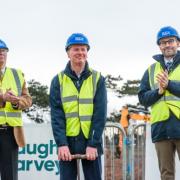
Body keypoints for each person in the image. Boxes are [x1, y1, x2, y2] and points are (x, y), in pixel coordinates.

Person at [50, 33, 107, 180]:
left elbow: (100, 114)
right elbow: (57, 116)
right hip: (68, 142)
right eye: (76, 49)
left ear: (87, 53)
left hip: (91, 142)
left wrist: (93, 144)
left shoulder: (98, 79)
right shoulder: (58, 80)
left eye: (83, 49)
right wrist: (61, 144)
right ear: (68, 53)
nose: (80, 53)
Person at [138, 26, 180, 180]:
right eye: (163, 42)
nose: (167, 45)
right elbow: (143, 98)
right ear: (159, 46)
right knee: (166, 175)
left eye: (171, 41)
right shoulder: (150, 70)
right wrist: (158, 92)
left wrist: (169, 85)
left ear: (178, 43)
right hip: (161, 129)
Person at [0, 39, 32, 180]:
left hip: (10, 133)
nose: (1, 54)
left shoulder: (17, 74)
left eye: (3, 51)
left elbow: (28, 100)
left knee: (10, 176)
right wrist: (3, 98)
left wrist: (16, 102)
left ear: (7, 54)